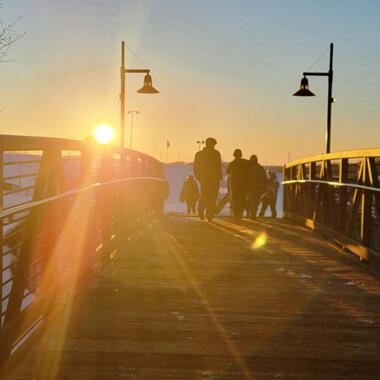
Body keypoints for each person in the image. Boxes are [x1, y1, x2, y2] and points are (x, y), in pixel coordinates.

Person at [193, 137, 222, 221]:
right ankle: (209, 215)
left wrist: (198, 177)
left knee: (204, 195)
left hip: (204, 179)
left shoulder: (199, 154)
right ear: (211, 144)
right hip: (213, 179)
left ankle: (201, 212)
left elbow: (195, 167)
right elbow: (218, 166)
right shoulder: (216, 153)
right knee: (212, 197)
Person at [226, 149, 250, 222]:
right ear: (241, 154)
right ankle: (240, 214)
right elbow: (252, 164)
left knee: (235, 200)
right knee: (241, 200)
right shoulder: (245, 162)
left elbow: (228, 171)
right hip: (243, 185)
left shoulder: (232, 163)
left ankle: (236, 215)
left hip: (234, 184)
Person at [247, 154, 267, 219]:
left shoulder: (248, 168)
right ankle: (253, 214)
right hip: (258, 188)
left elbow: (245, 178)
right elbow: (265, 179)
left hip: (250, 188)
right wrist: (264, 187)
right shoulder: (261, 168)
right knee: (255, 202)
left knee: (251, 201)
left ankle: (251, 214)